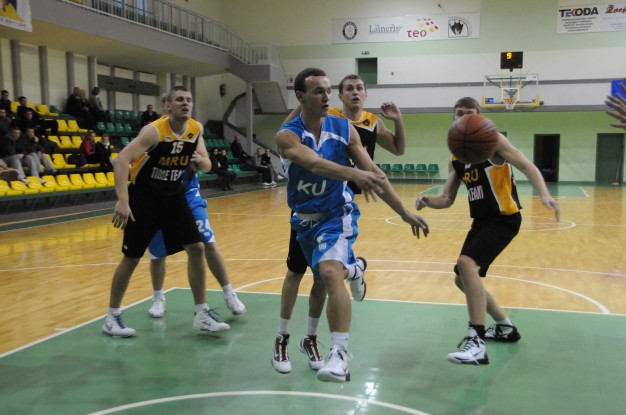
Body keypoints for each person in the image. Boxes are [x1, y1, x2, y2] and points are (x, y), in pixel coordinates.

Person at [274, 67, 429, 382]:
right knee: (317, 274)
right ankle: (355, 269)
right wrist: (353, 173)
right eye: (318, 91)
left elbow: (375, 174)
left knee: (330, 273)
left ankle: (340, 355)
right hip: (304, 220)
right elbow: (313, 163)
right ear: (301, 96)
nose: (326, 97)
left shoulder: (345, 129)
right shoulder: (287, 135)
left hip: (337, 213)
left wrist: (403, 212)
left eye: (328, 91)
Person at [415, 96, 560, 366]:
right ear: (453, 118)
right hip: (481, 221)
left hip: (504, 219)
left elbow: (526, 165)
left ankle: (477, 342)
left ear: (479, 117)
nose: (464, 117)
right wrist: (427, 201)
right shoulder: (457, 157)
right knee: (462, 278)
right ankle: (506, 326)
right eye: (459, 113)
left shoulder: (493, 142)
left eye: (470, 113)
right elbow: (447, 199)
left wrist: (544, 194)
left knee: (466, 263)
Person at [102, 85, 229, 337]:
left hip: (174, 196)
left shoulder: (195, 129)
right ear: (167, 106)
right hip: (145, 199)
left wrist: (202, 161)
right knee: (132, 257)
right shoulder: (154, 131)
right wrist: (123, 201)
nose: (185, 103)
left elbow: (206, 163)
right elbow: (122, 159)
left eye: (189, 99)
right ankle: (112, 316)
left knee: (197, 248)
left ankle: (201, 314)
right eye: (179, 99)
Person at [146, 166, 246, 318]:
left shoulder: (191, 149)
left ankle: (229, 293)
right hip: (159, 200)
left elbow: (206, 164)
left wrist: (198, 161)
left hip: (189, 196)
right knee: (157, 255)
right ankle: (158, 297)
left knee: (209, 243)